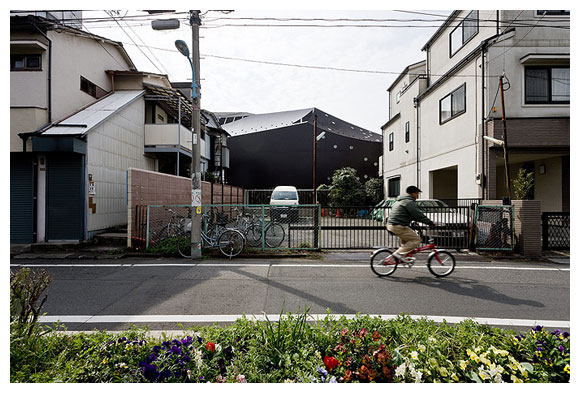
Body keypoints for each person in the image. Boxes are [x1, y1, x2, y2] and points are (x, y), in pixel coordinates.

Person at [386, 186, 435, 262]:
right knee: (416, 240)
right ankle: (398, 254)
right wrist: (430, 222)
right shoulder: (408, 202)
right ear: (413, 193)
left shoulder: (401, 200)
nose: (418, 195)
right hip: (398, 226)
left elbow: (410, 215)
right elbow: (417, 214)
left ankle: (402, 259)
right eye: (417, 193)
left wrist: (417, 221)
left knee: (406, 244)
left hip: (393, 225)